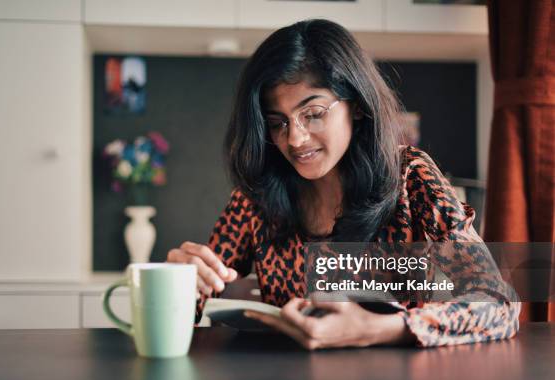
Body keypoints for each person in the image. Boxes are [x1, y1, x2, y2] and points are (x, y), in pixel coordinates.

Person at [167, 19, 520, 348]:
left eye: (313, 114)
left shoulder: (411, 177)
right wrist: (178, 285)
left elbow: (498, 302)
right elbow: (193, 304)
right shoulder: (257, 196)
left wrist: (376, 329)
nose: (296, 139)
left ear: (357, 105)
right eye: (278, 122)